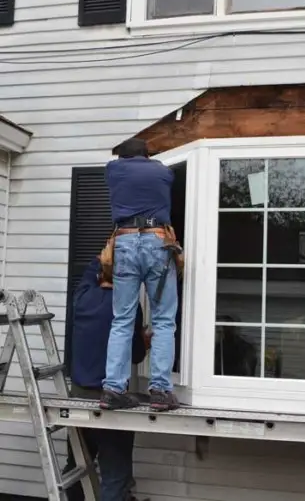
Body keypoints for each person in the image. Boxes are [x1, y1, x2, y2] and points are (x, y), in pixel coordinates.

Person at [100, 137, 180, 412]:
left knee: (122, 319)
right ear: (146, 155)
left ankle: (112, 389)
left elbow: (117, 165)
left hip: (123, 242)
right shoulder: (162, 171)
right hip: (158, 242)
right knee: (164, 320)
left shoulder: (113, 169)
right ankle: (160, 391)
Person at [64, 257, 147, 501]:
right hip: (110, 400)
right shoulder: (129, 306)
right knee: (115, 473)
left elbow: (92, 269)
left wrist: (111, 251)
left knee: (78, 465)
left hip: (78, 395)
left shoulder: (82, 297)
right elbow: (137, 355)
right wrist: (144, 341)